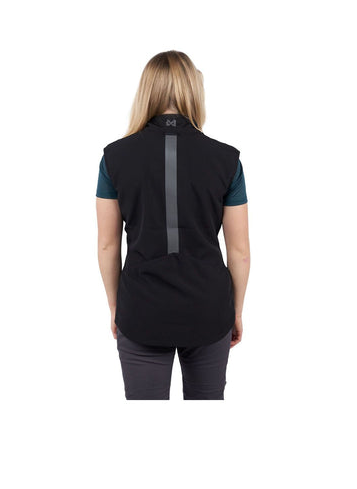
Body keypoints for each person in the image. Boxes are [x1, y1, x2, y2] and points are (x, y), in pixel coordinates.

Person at [96, 50, 250, 400]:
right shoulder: (227, 160)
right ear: (193, 91)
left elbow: (107, 244)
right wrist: (236, 311)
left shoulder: (113, 158)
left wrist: (116, 306)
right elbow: (239, 251)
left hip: (141, 310)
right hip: (209, 309)